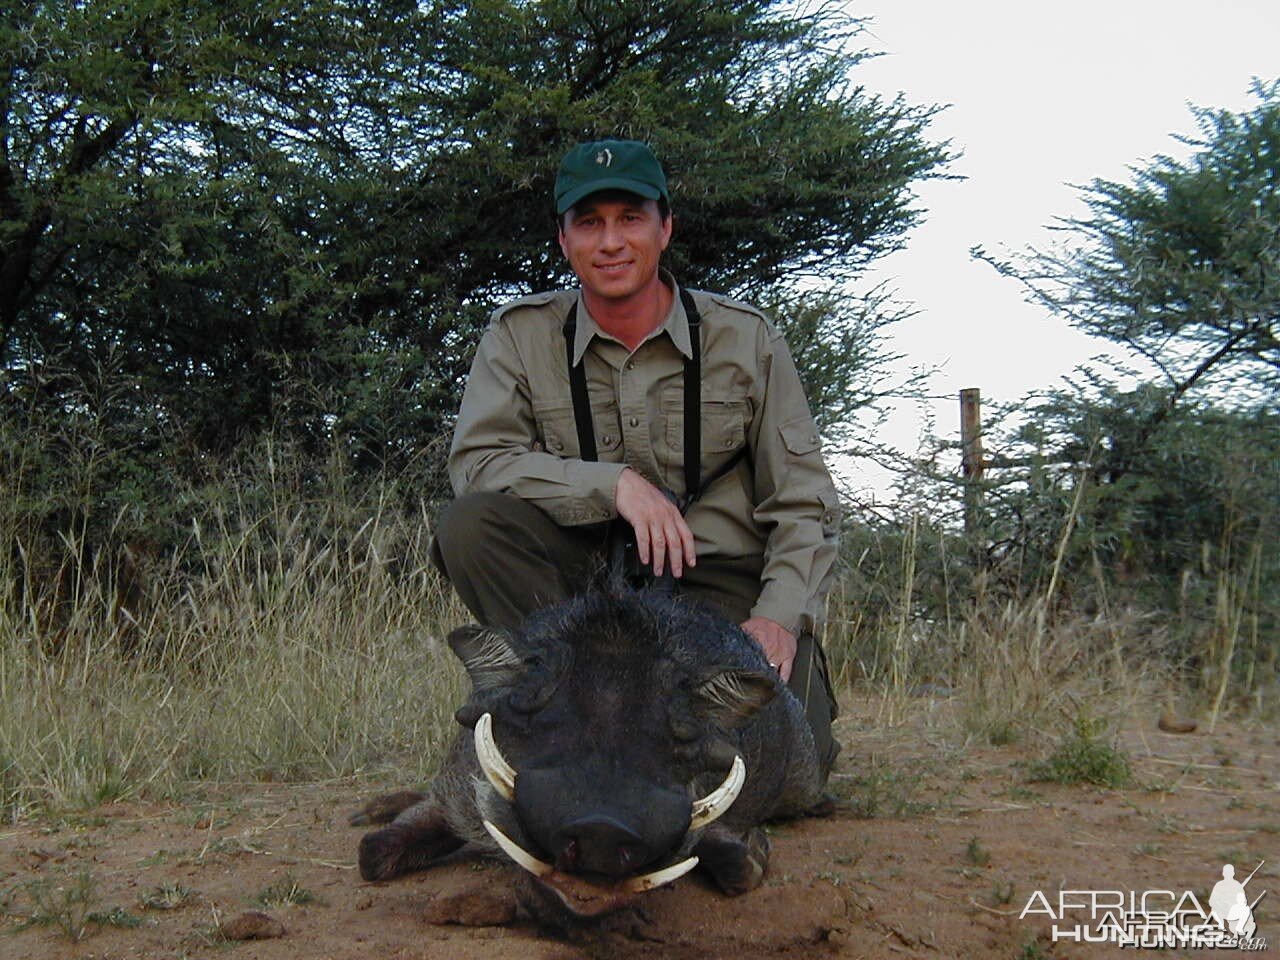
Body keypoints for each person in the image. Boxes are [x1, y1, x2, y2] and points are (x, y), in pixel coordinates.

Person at [432, 138, 842, 778]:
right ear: (564, 241)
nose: (611, 242)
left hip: (716, 582)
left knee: (794, 766)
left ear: (666, 228)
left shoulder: (747, 337)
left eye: (631, 218)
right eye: (589, 223)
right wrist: (613, 485)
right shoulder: (519, 333)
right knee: (470, 525)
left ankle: (624, 721)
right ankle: (553, 699)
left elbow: (803, 501)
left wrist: (776, 618)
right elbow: (480, 462)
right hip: (583, 583)